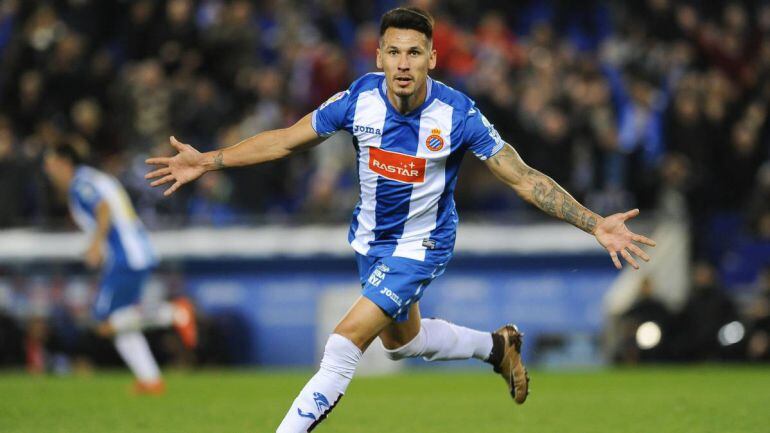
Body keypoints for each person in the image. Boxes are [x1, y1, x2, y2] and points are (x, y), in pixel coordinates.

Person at [146, 7, 655, 431]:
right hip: (372, 242)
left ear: (433, 57)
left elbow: (521, 177)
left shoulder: (457, 114)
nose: (403, 63)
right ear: (379, 56)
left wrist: (594, 224)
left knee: (344, 343)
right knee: (401, 343)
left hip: (422, 245)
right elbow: (283, 138)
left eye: (414, 52)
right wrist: (207, 159)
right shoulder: (358, 98)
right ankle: (497, 346)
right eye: (394, 51)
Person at [44, 143, 197, 394]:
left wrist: (95, 244)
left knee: (104, 322)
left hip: (125, 256)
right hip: (133, 251)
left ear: (63, 162)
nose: (48, 171)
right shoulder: (93, 178)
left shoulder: (81, 184)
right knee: (122, 321)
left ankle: (173, 313)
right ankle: (150, 380)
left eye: (50, 165)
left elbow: (102, 208)